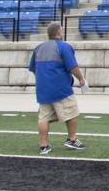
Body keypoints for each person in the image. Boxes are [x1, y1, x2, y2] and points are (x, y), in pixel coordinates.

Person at [28, 22, 88, 154]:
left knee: (43, 117)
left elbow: (33, 68)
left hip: (43, 89)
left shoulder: (38, 48)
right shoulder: (64, 47)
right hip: (61, 88)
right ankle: (72, 139)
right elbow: (72, 67)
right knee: (71, 114)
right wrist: (81, 79)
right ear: (59, 32)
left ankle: (44, 146)